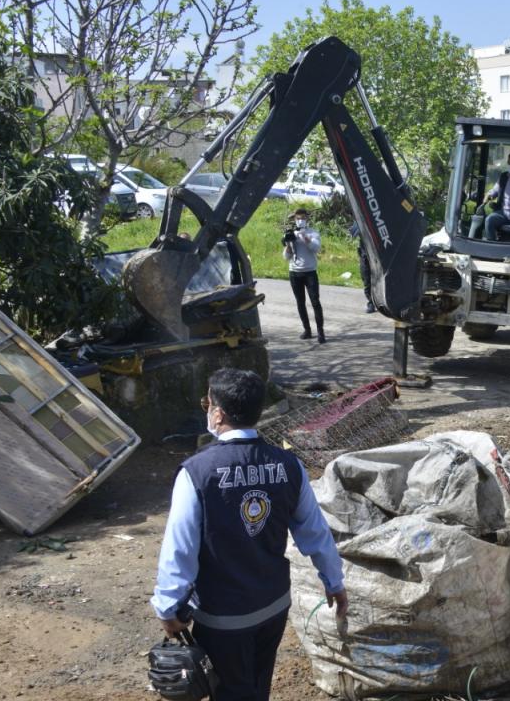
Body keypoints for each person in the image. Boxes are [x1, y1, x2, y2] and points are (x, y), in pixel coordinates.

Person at [152, 368, 347, 701]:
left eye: (207, 403)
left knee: (230, 691)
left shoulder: (197, 473)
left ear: (217, 412)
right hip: (273, 605)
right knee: (258, 685)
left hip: (222, 615)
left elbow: (180, 548)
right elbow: (315, 532)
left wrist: (168, 607)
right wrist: (334, 581)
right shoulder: (289, 465)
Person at [283, 208, 326, 342]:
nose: (300, 220)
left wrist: (304, 237)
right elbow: (286, 257)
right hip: (294, 273)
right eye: (298, 218)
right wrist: (288, 245)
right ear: (294, 219)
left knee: (315, 302)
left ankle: (320, 332)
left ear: (307, 219)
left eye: (303, 218)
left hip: (310, 272)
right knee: (300, 302)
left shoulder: (313, 233)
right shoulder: (291, 234)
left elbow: (316, 248)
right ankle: (307, 330)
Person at [348, 220, 375, 313]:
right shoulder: (360, 217)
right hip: (365, 256)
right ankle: (371, 302)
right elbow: (353, 233)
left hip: (378, 256)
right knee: (367, 280)